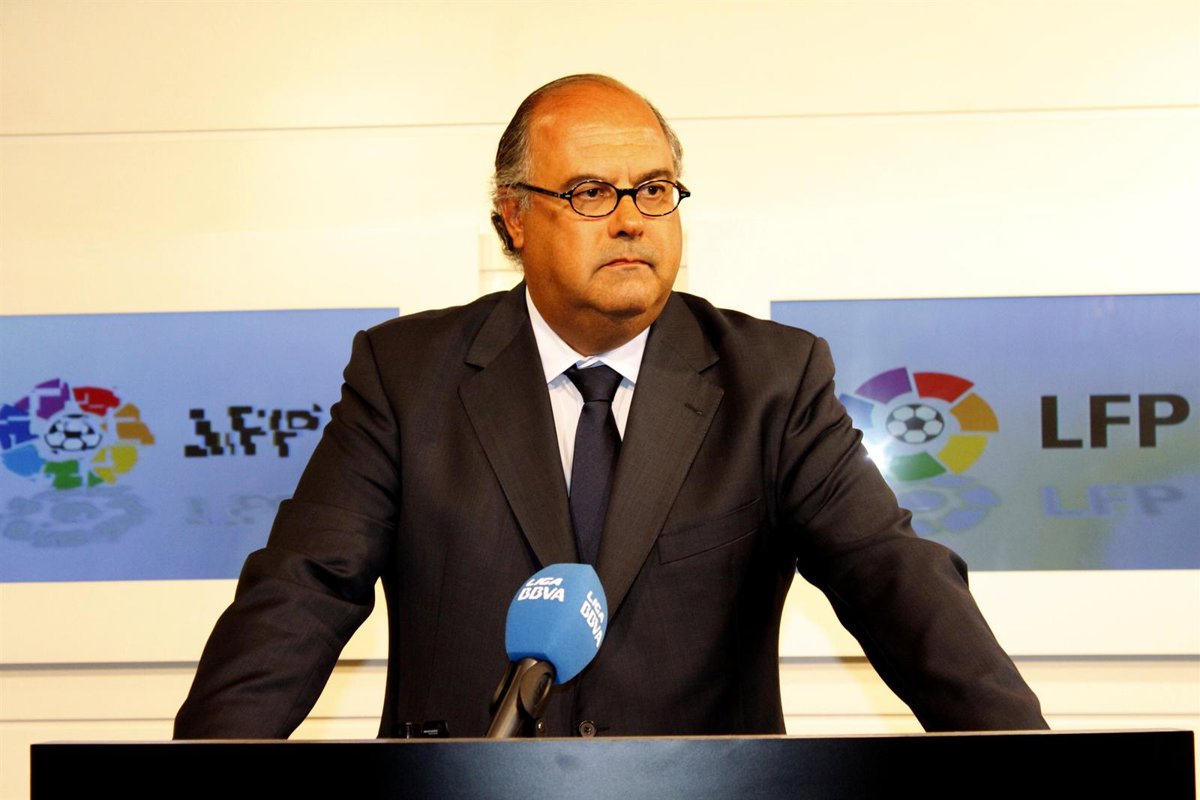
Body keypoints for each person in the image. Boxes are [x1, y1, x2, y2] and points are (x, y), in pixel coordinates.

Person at [175, 74, 1047, 739]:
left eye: (654, 190)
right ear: (514, 219)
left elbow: (892, 578)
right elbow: (303, 591)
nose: (632, 220)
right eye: (591, 193)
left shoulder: (772, 381)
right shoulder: (406, 375)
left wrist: (1026, 756)